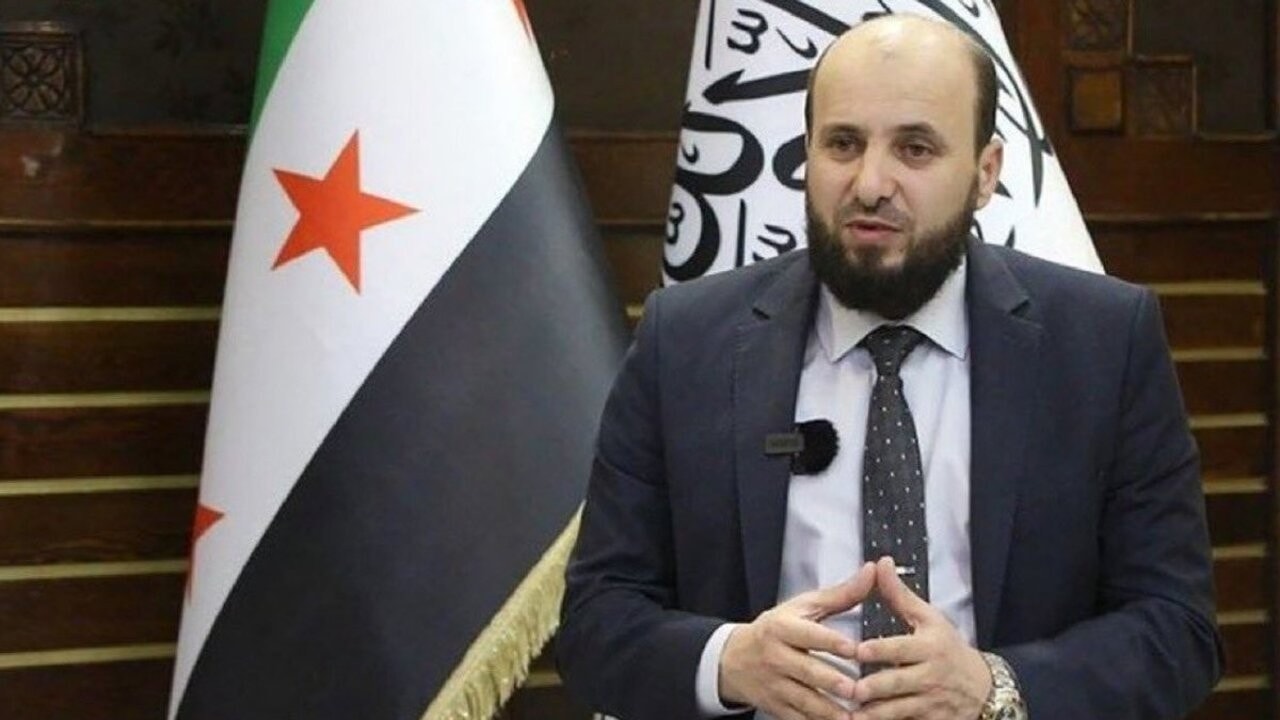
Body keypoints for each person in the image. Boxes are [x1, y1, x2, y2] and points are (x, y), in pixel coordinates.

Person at [558, 14, 1221, 720]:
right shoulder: (686, 340)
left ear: (985, 173)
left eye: (915, 149)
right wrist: (729, 661)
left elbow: (1177, 630)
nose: (871, 183)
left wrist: (993, 686)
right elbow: (596, 621)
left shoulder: (1103, 342)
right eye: (843, 144)